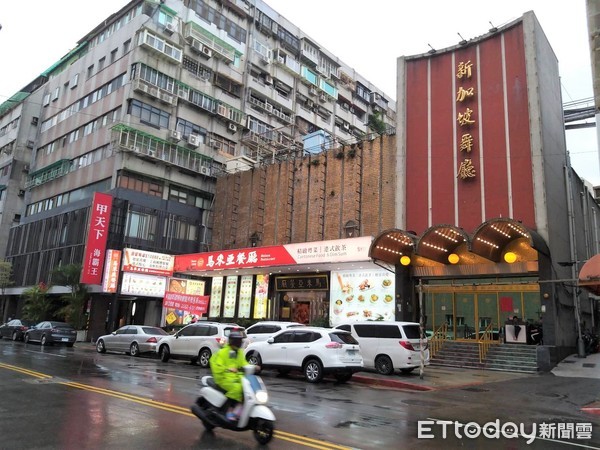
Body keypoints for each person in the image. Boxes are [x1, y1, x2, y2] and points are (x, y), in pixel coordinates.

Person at [209, 329, 247, 421]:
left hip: (236, 377)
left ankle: (240, 410)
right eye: (238, 341)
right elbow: (216, 365)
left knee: (247, 389)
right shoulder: (223, 352)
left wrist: (253, 367)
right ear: (234, 342)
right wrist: (227, 369)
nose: (240, 343)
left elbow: (243, 363)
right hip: (223, 377)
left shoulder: (239, 352)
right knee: (237, 388)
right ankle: (229, 410)